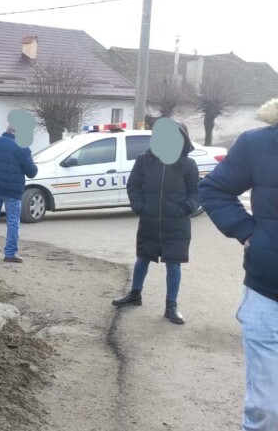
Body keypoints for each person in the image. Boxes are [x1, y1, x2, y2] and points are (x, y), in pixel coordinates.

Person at [199, 98, 278, 430]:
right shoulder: (257, 143)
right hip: (268, 293)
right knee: (268, 408)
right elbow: (214, 190)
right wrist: (250, 235)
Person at [112, 123, 199, 325]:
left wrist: (185, 208)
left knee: (173, 265)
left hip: (176, 223)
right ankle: (135, 295)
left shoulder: (188, 164)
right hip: (149, 220)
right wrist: (140, 207)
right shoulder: (145, 160)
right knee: (142, 259)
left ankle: (171, 307)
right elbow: (133, 185)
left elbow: (196, 193)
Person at [0, 126, 38, 263]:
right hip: (12, 190)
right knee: (12, 221)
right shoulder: (21, 147)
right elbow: (32, 172)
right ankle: (10, 253)